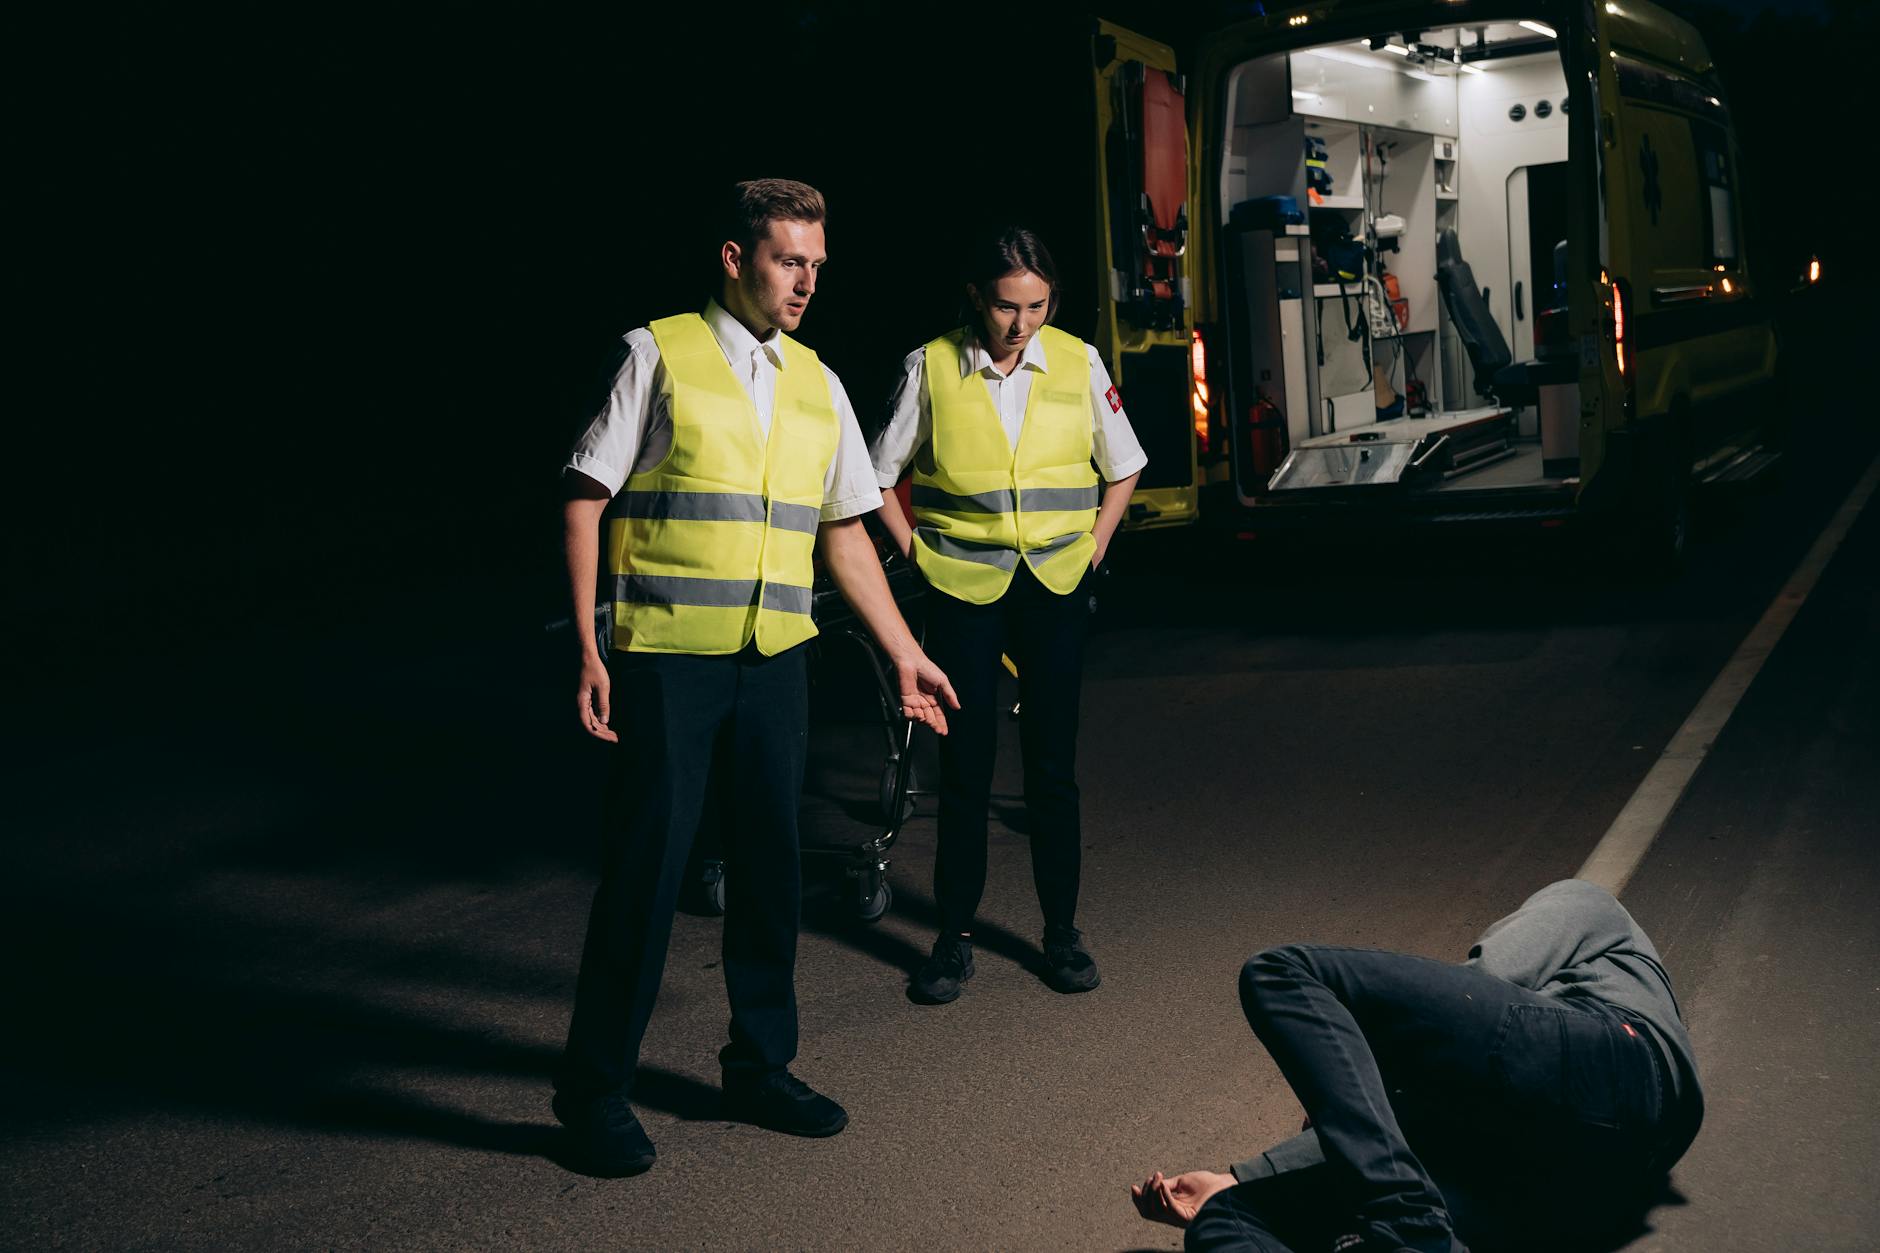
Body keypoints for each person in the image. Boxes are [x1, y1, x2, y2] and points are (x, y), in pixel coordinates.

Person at [552, 179, 958, 1178]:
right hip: (668, 659)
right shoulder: (658, 354)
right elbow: (582, 499)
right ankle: (594, 1087)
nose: (805, 281)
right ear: (734, 257)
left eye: (816, 264)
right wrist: (588, 646)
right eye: (788, 260)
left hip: (775, 659)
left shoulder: (817, 380)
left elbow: (845, 533)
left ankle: (759, 1063)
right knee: (648, 869)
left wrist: (903, 649)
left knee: (771, 867)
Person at [1131, 879, 1705, 1252]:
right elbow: (1385, 1134)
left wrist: (1383, 1056)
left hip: (1625, 1064)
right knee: (1224, 1219)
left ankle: (1413, 1227)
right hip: (1571, 1183)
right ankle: (1405, 1229)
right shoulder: (1487, 1100)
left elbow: (1485, 980)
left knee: (1282, 974)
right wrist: (1241, 1178)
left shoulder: (1593, 907)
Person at [870, 226, 1145, 1004]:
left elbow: (1123, 467)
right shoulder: (930, 366)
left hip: (1055, 586)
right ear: (975, 298)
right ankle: (952, 940)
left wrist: (1093, 547)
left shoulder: (1079, 363)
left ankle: (1061, 934)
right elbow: (877, 477)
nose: (1020, 323)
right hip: (963, 588)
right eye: (1004, 306)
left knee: (1052, 769)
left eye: (1036, 305)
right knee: (964, 769)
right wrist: (916, 553)